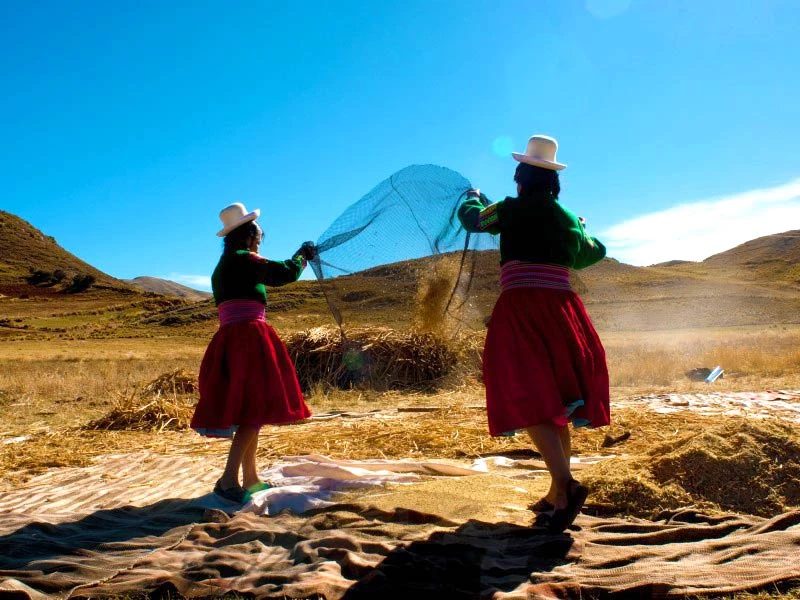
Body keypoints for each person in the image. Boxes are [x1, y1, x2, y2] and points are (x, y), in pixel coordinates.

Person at [458, 134, 610, 532]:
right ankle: (556, 493)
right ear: (555, 182)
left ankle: (567, 485)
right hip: (563, 312)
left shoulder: (509, 209)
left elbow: (474, 220)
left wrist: (472, 198)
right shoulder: (567, 218)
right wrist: (581, 229)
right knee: (556, 402)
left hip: (523, 309)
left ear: (520, 178)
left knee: (529, 397)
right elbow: (594, 252)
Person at [191, 202, 317, 503]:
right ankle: (228, 480)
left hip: (231, 341)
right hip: (248, 340)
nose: (261, 240)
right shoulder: (244, 259)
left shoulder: (223, 266)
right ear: (248, 235)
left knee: (251, 411)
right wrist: (302, 256)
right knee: (253, 411)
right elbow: (284, 273)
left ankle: (250, 478)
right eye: (259, 235)